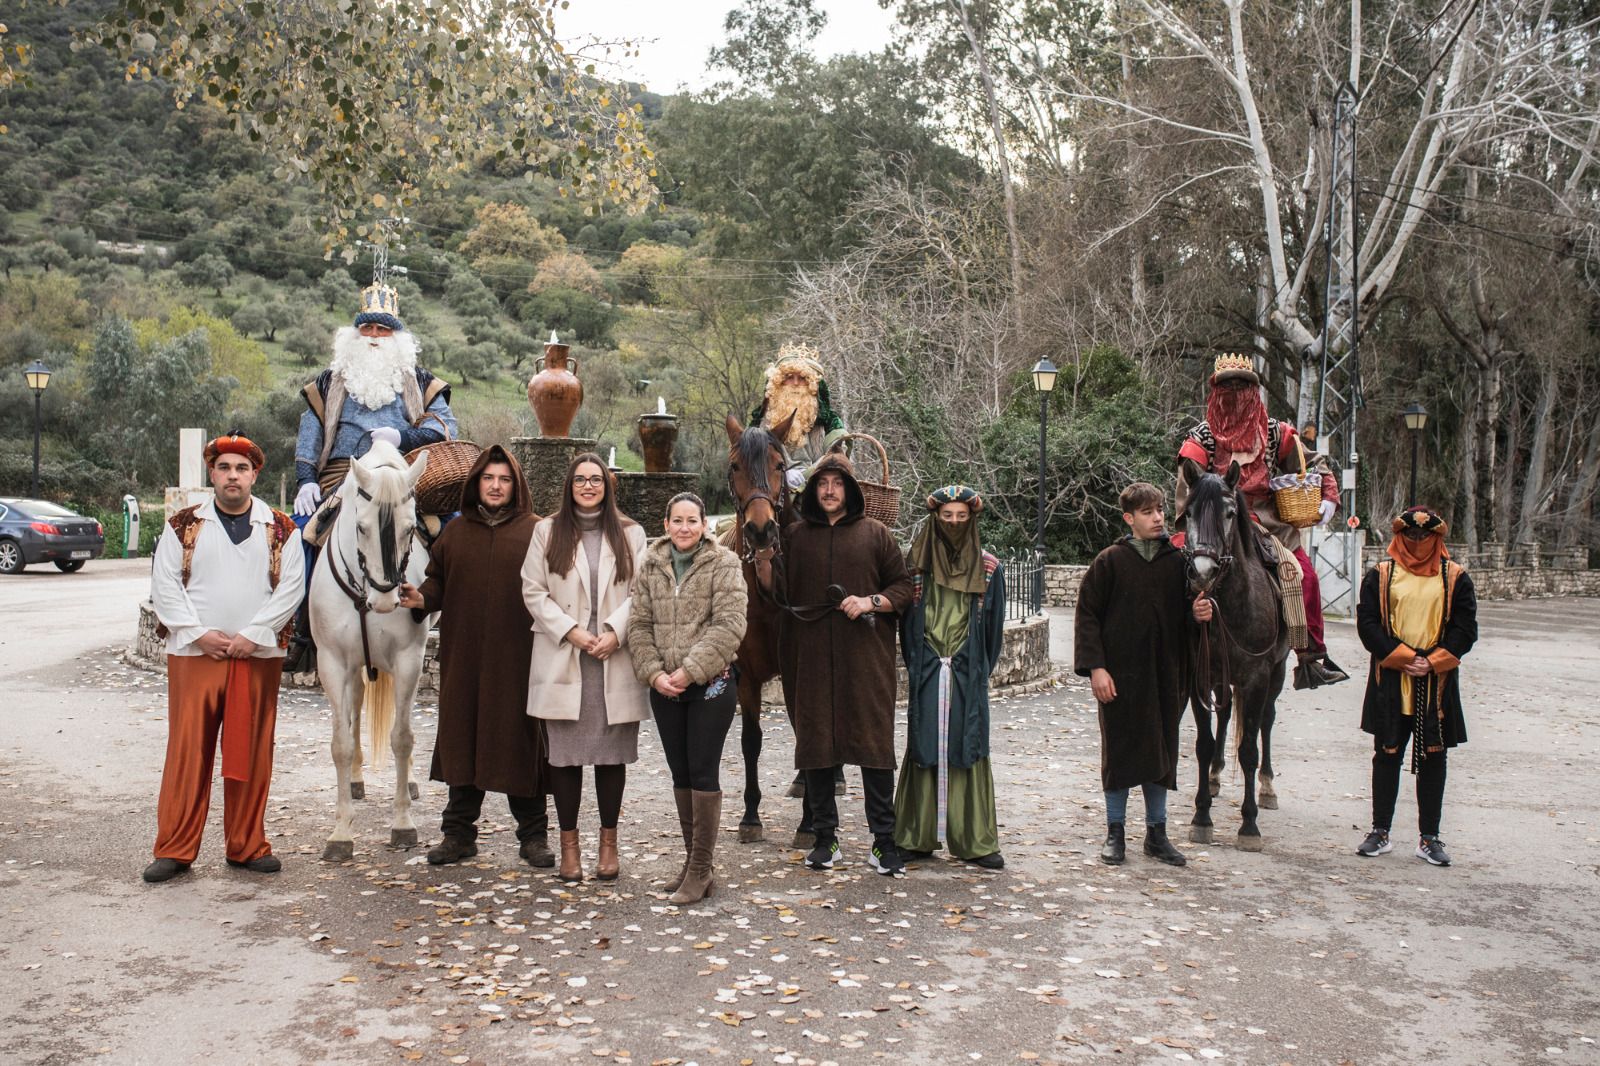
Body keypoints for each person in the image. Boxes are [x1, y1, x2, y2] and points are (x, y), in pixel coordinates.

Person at [144, 433, 304, 883]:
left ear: (255, 474)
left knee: (251, 750)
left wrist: (253, 636)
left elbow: (291, 588)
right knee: (187, 750)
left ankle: (247, 845)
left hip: (257, 657)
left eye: (241, 468)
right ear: (212, 474)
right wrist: (199, 634)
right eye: (224, 468)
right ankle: (174, 848)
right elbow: (165, 586)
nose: (232, 476)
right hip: (196, 657)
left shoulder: (281, 528)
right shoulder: (182, 525)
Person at [285, 281, 458, 670]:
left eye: (383, 329)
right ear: (354, 333)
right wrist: (305, 480)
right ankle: (301, 634)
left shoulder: (424, 382)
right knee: (301, 538)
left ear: (397, 336)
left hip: (404, 478)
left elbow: (448, 432)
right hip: (342, 478)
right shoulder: (328, 383)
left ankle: (448, 620)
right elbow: (309, 435)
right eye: (367, 329)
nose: (375, 337)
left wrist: (403, 436)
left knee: (457, 533)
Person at [756, 454, 914, 876]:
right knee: (817, 747)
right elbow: (776, 593)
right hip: (809, 658)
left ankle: (884, 842)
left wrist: (870, 601)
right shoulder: (794, 536)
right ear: (812, 490)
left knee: (874, 749)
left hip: (865, 659)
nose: (829, 490)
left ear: (850, 490)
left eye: (837, 483)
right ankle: (826, 839)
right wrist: (764, 558)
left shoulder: (875, 534)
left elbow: (903, 586)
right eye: (822, 483)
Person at [397, 445, 553, 868]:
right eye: (489, 479)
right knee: (462, 739)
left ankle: (533, 836)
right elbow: (437, 585)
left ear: (515, 485)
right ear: (476, 484)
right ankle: (458, 834)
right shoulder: (455, 533)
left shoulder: (538, 531)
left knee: (520, 741)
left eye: (503, 479)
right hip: (464, 660)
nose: (496, 486)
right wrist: (419, 599)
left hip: (518, 659)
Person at [1176, 353, 1347, 689]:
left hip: (1270, 525)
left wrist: (1328, 496)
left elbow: (1312, 465)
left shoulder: (1276, 433)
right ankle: (1169, 648)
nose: (1234, 393)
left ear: (1254, 391)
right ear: (1215, 391)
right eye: (1226, 386)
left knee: (1305, 576)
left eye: (1242, 386)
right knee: (1172, 571)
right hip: (1214, 523)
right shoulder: (1202, 437)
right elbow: (1185, 484)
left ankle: (1310, 657)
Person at [522, 453, 649, 882]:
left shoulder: (631, 534)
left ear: (608, 485)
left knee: (611, 757)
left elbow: (643, 591)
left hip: (613, 657)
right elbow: (533, 591)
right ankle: (570, 847)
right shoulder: (547, 531)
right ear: (569, 485)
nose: (589, 486)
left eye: (596, 479)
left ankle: (609, 846)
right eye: (581, 479)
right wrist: (573, 631)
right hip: (565, 655)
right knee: (566, 759)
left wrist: (615, 631)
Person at [1074, 482, 1212, 867]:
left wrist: (1199, 617)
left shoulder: (1179, 563)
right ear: (1129, 518)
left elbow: (1188, 617)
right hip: (1118, 678)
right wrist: (1096, 669)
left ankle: (1157, 834)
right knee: (1119, 752)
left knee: (1161, 751)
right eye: (1148, 512)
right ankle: (1114, 833)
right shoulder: (1109, 562)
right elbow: (1087, 618)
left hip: (1166, 676)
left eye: (1160, 511)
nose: (1157, 518)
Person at [629, 492, 749, 904]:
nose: (684, 528)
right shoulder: (650, 565)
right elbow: (639, 624)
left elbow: (730, 624)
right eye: (677, 520)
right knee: (680, 773)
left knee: (702, 772)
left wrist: (689, 670)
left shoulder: (724, 564)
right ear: (665, 525)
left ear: (704, 525)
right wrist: (654, 673)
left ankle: (701, 869)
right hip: (666, 688)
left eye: (692, 521)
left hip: (711, 686)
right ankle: (692, 862)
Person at [1354, 506, 1478, 867]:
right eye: (1411, 535)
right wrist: (1400, 655)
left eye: (1425, 536)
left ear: (1437, 538)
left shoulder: (1455, 577)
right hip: (1392, 678)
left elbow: (1465, 628)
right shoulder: (1380, 575)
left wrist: (1434, 659)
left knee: (1433, 756)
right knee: (1387, 753)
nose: (1418, 542)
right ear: (1399, 537)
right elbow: (1368, 622)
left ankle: (1430, 837)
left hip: (1435, 683)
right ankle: (1380, 831)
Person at [893, 485, 1007, 870]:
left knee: (968, 742)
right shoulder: (917, 566)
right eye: (947, 517)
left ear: (971, 519)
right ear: (936, 519)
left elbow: (992, 631)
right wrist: (923, 662)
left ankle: (974, 839)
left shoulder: (990, 568)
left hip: (965, 669)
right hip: (927, 665)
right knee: (923, 743)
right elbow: (907, 624)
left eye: (961, 517)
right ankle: (915, 835)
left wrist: (971, 668)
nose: (954, 523)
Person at [750, 343, 847, 492]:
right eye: (789, 377)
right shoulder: (763, 422)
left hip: (820, 490)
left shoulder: (828, 421)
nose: (795, 383)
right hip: (775, 493)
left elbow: (839, 454)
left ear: (812, 384)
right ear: (779, 383)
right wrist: (781, 473)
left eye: (802, 378)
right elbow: (752, 460)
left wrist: (815, 469)